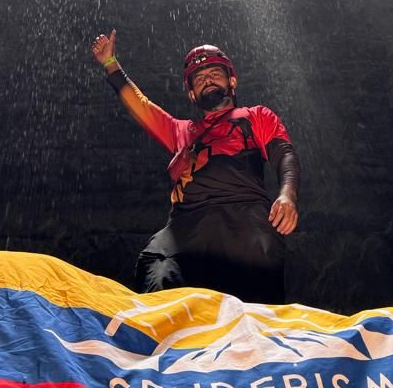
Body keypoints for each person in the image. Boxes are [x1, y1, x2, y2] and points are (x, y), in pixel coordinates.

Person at [91, 31, 300, 303]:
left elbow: (284, 155)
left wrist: (287, 195)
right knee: (155, 265)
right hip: (186, 224)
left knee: (259, 267)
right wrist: (110, 63)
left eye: (215, 74)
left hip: (243, 217)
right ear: (192, 94)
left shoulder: (255, 116)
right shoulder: (182, 132)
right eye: (199, 79)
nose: (207, 80)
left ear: (232, 81)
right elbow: (142, 107)